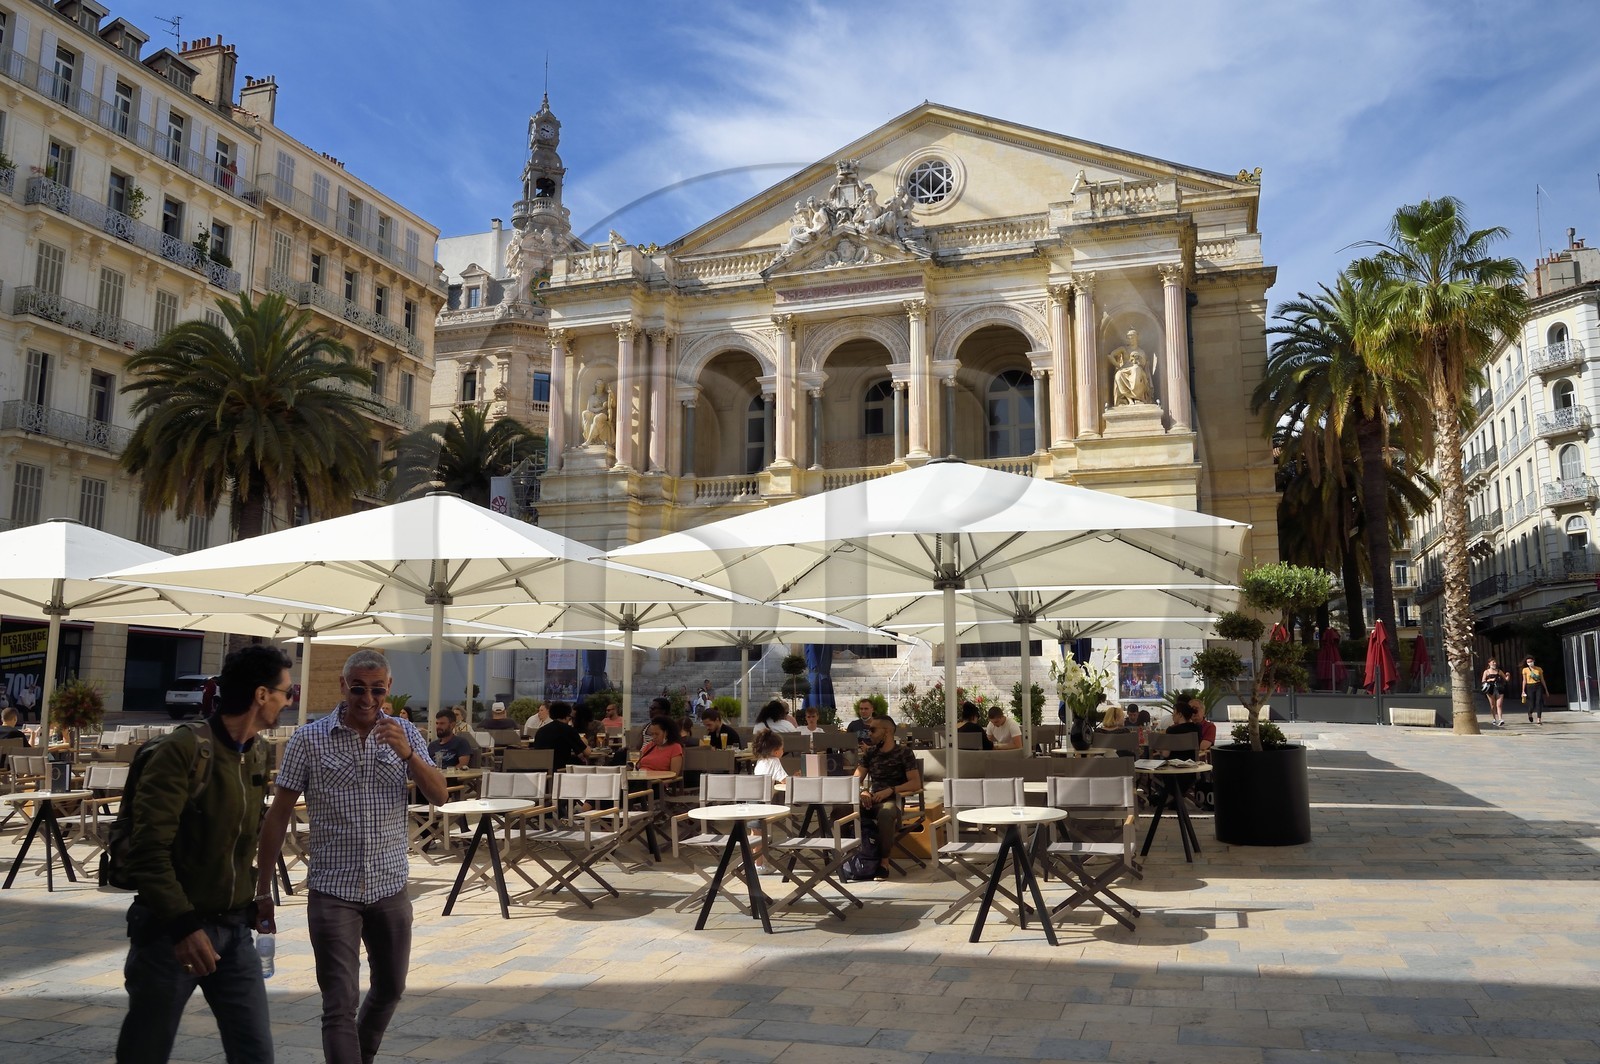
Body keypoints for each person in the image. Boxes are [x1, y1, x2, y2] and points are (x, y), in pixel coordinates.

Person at [256, 649, 447, 1064]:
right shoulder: (309, 739)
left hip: (389, 886)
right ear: (343, 686)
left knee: (390, 988)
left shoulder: (405, 733)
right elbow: (278, 815)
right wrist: (262, 890)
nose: (368, 699)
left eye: (377, 690)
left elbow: (440, 795)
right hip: (333, 890)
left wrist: (408, 754)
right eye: (358, 688)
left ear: (388, 688)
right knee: (339, 1004)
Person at [117, 644, 294, 1064]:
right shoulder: (181, 750)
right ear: (261, 695)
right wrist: (183, 927)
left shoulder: (257, 752)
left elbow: (241, 840)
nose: (289, 701)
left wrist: (257, 894)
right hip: (170, 935)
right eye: (287, 692)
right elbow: (148, 850)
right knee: (145, 1052)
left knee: (255, 1053)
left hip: (234, 932)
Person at [857, 717, 922, 881]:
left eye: (873, 730)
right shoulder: (870, 753)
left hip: (894, 800)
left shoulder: (904, 753)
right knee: (841, 809)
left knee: (886, 813)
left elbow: (915, 783)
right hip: (872, 799)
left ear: (886, 732)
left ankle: (884, 863)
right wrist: (863, 791)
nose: (869, 733)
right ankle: (848, 857)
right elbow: (855, 779)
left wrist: (891, 790)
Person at [749, 729, 787, 873]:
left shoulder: (761, 761)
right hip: (761, 802)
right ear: (776, 751)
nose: (783, 751)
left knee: (755, 833)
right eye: (782, 749)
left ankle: (757, 862)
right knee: (759, 834)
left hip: (751, 799)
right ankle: (758, 865)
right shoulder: (774, 761)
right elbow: (785, 781)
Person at [532, 701, 588, 771]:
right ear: (567, 716)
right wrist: (584, 740)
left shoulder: (541, 730)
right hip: (560, 770)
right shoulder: (568, 730)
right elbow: (587, 752)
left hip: (542, 771)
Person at [1481, 658, 1507, 728]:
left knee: (1499, 705)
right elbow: (1483, 680)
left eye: (1495, 662)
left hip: (1499, 688)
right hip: (1490, 689)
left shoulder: (1499, 671)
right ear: (1489, 663)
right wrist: (1489, 680)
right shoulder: (1486, 672)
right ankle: (1494, 719)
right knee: (1492, 705)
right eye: (1493, 662)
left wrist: (1508, 675)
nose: (1494, 663)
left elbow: (1506, 679)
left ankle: (1500, 719)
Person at [1522, 655, 1547, 726]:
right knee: (1532, 704)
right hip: (1529, 686)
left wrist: (1546, 689)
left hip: (1538, 685)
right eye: (1528, 662)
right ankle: (1530, 712)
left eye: (1531, 661)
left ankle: (1539, 719)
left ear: (1533, 661)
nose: (1530, 663)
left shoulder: (1539, 669)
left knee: (1539, 702)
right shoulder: (1525, 670)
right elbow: (1524, 680)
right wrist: (1523, 690)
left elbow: (1542, 679)